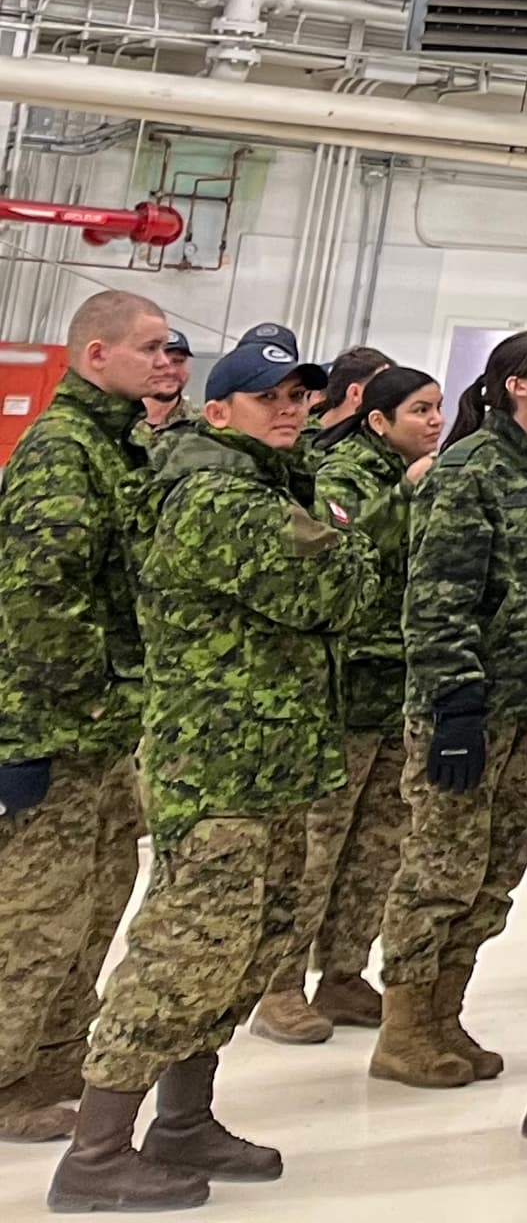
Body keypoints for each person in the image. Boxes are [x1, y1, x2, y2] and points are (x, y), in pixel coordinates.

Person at [57, 325, 411, 1212]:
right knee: (184, 950)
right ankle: (96, 1151)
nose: (289, 410)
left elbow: (338, 567)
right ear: (220, 411)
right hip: (217, 767)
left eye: (300, 396)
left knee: (246, 947)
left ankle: (184, 1122)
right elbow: (335, 590)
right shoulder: (215, 492)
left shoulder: (269, 481)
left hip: (274, 761)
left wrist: (338, 532)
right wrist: (349, 536)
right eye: (269, 397)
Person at [372, 330, 527, 1091]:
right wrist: (455, 701)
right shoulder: (467, 470)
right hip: (468, 708)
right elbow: (437, 596)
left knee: (494, 871)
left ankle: (443, 1012)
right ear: (516, 384)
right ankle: (403, 1028)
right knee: (440, 867)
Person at [0, 290, 171, 1144]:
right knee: (36, 918)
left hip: (104, 733)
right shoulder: (64, 451)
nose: (163, 359)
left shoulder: (121, 447)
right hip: (55, 729)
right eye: (148, 347)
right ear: (97, 355)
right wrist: (97, 694)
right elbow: (36, 598)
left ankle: (53, 1058)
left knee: (98, 901)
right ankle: (4, 1079)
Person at [250, 368, 443, 1044]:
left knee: (379, 844)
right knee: (318, 847)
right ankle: (277, 984)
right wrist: (406, 493)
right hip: (348, 688)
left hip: (401, 685)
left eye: (439, 409)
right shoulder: (346, 472)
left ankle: (342, 971)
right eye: (420, 410)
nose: (434, 421)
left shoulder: (426, 471)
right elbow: (347, 543)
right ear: (379, 420)